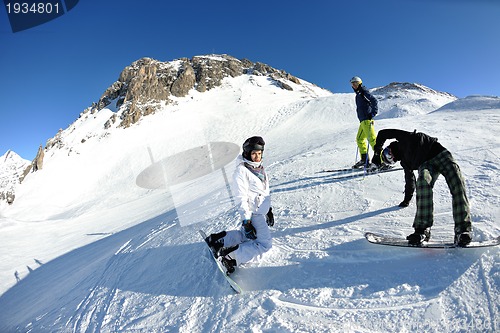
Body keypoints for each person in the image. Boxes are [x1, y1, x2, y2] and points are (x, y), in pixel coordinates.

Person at [372, 129, 472, 246]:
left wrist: (377, 150)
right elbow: (410, 181)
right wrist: (407, 199)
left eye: (388, 154)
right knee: (423, 183)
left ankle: (463, 229)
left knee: (457, 182)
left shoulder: (404, 137)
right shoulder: (405, 162)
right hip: (426, 164)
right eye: (389, 160)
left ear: (389, 148)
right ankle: (422, 230)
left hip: (440, 154)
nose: (390, 156)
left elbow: (383, 133)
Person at [205, 136, 274, 273]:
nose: (257, 157)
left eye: (259, 153)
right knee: (265, 245)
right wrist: (246, 221)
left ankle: (218, 240)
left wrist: (269, 209)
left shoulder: (260, 169)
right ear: (247, 153)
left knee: (245, 236)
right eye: (254, 153)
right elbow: (241, 198)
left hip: (259, 211)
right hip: (254, 214)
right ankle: (230, 257)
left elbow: (262, 192)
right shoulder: (241, 172)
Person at [350, 76, 379, 168]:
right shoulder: (358, 94)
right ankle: (364, 160)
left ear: (360, 83)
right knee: (359, 139)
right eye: (352, 84)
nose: (354, 85)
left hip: (367, 119)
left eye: (356, 83)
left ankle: (381, 161)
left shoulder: (363, 92)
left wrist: (373, 113)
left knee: (372, 140)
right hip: (362, 121)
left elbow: (374, 100)